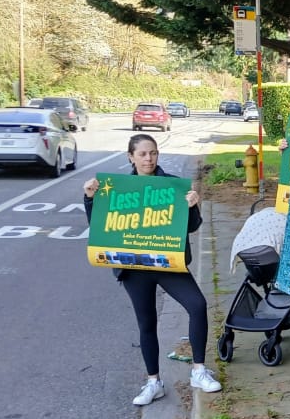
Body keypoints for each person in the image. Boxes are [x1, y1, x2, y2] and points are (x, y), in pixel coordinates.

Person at [83, 134, 221, 404]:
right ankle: (153, 381)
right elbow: (100, 227)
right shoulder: (115, 188)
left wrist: (193, 206)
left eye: (153, 153)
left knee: (197, 305)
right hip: (134, 267)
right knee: (147, 323)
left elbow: (192, 226)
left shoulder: (172, 186)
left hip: (168, 262)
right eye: (143, 154)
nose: (149, 159)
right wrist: (89, 198)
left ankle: (199, 371)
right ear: (130, 157)